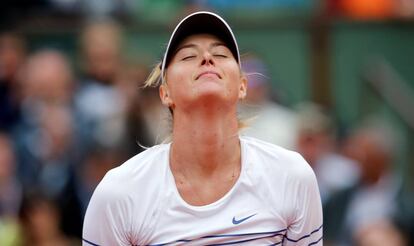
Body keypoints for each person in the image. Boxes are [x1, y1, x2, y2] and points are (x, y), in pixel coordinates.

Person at [83, 11, 322, 245]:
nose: (207, 59)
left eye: (220, 54)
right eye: (188, 57)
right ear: (165, 93)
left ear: (242, 86)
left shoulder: (292, 177)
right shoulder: (118, 193)